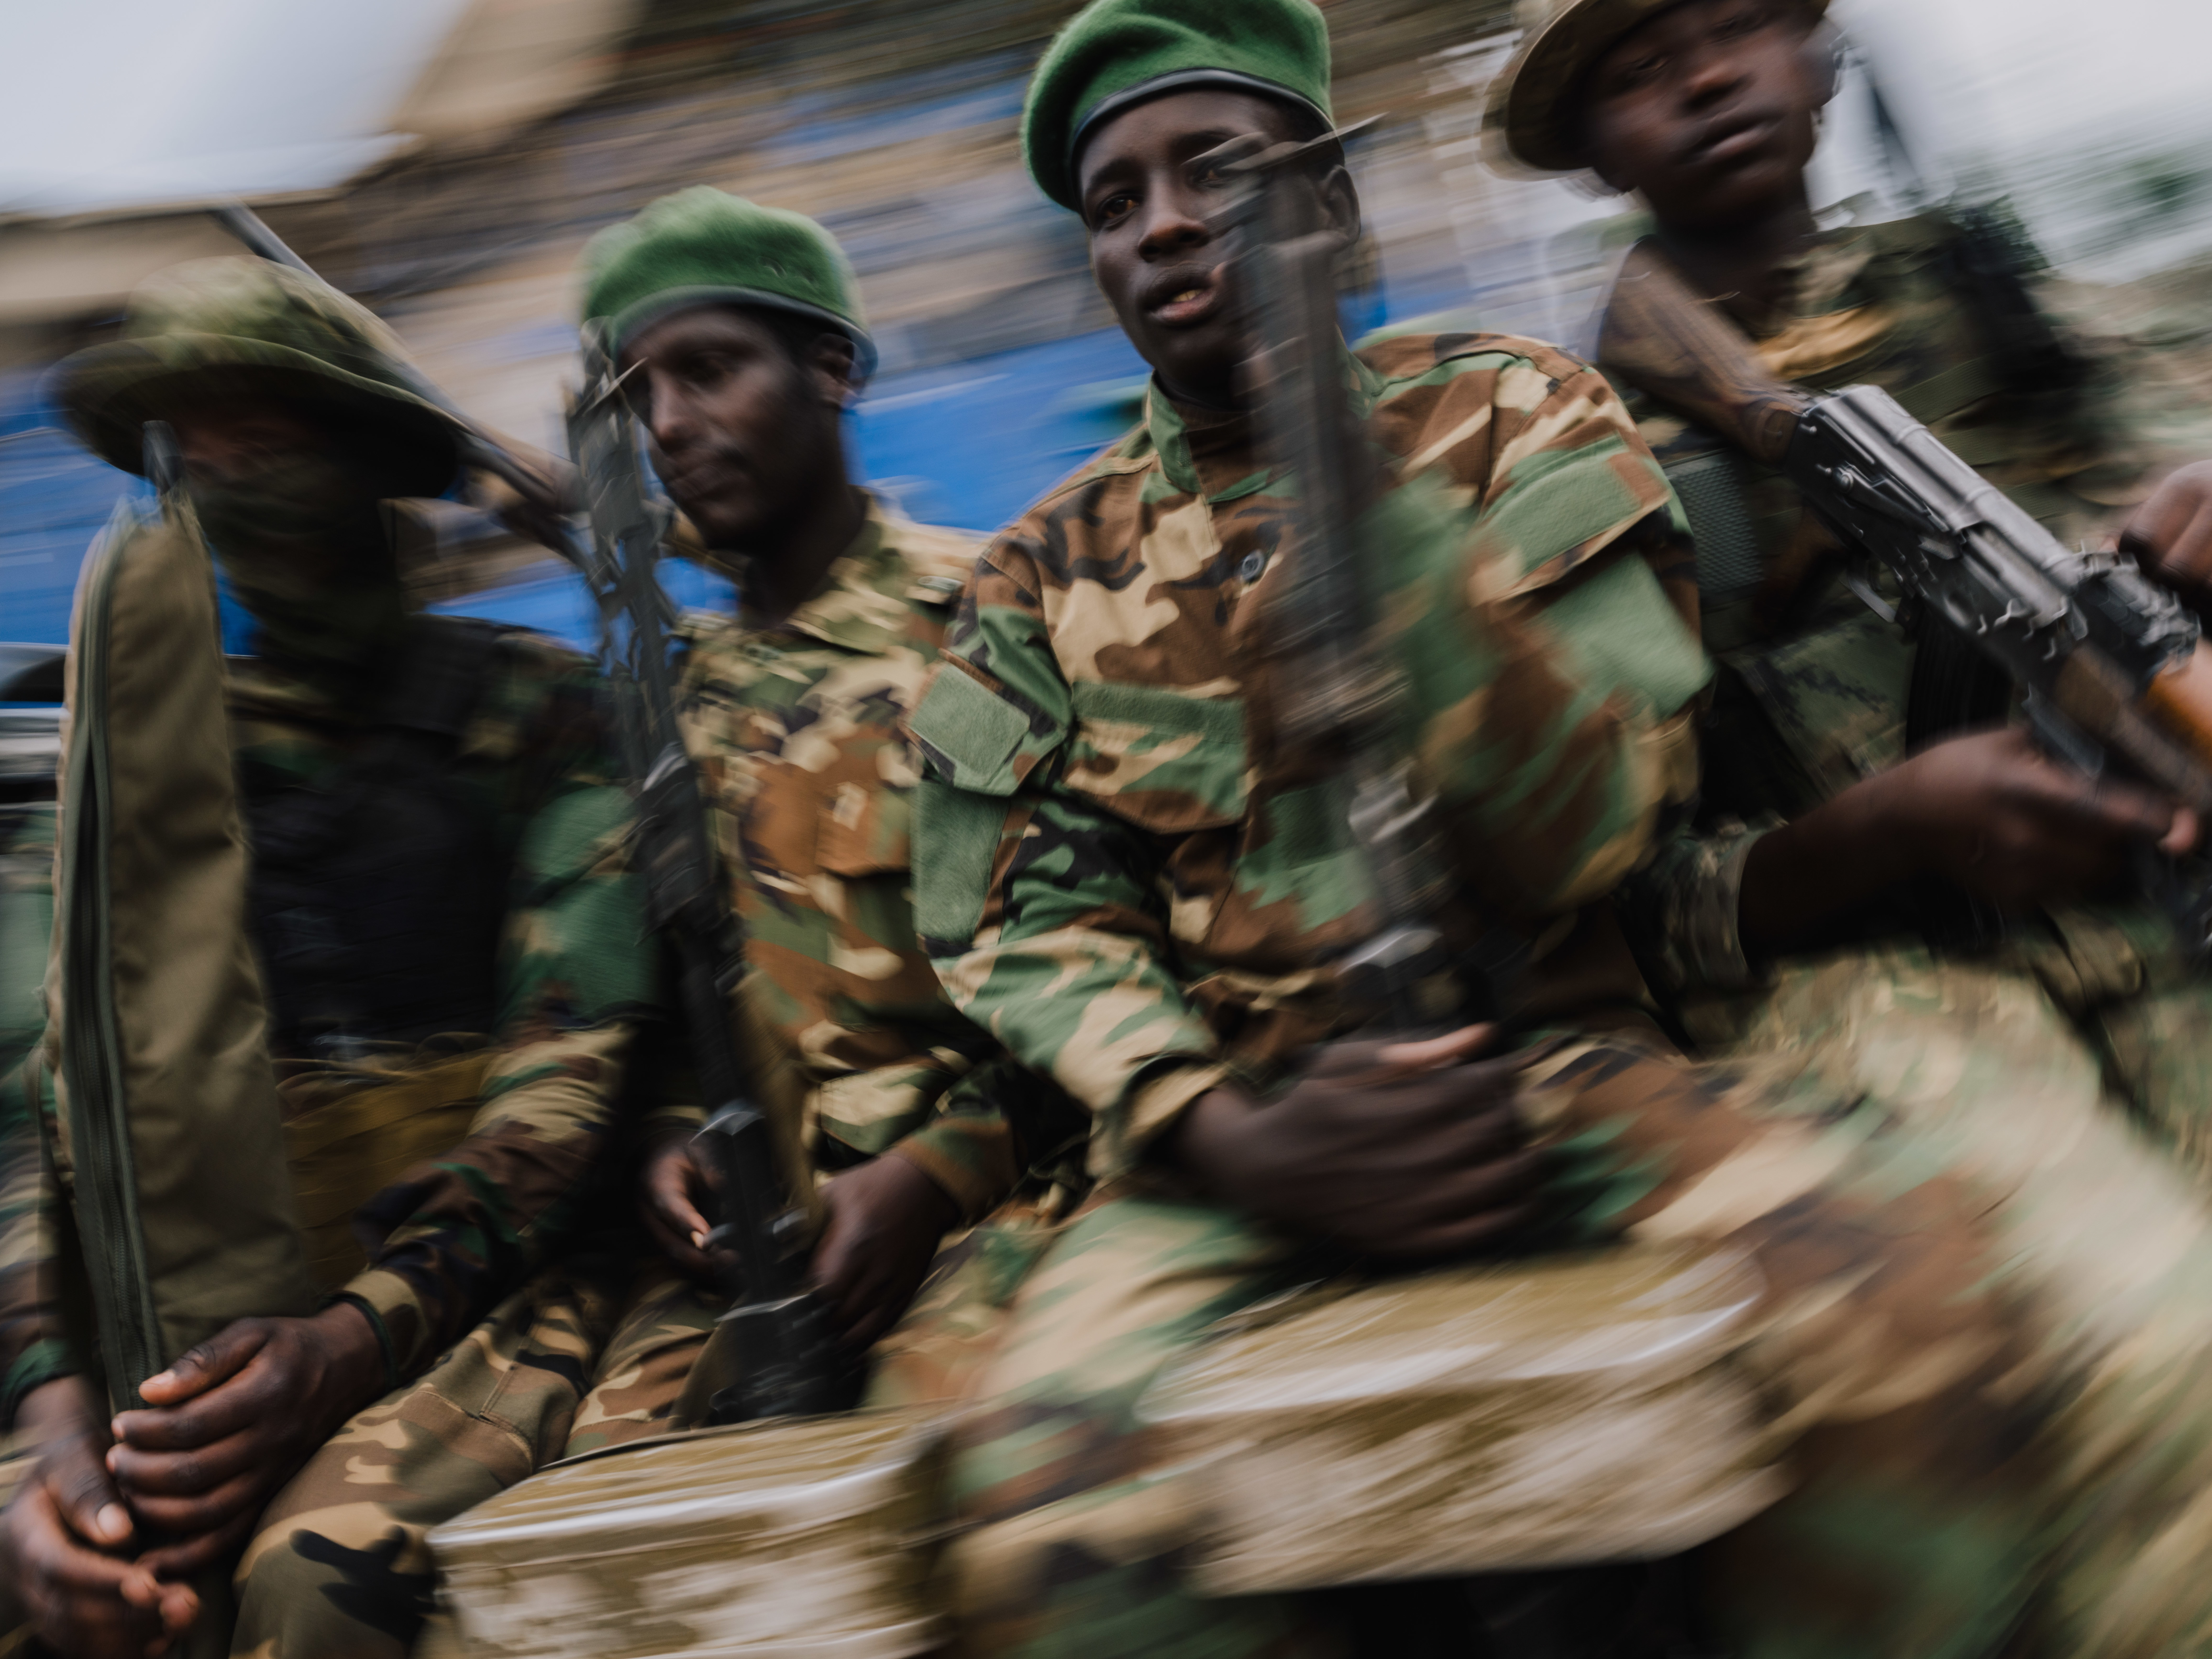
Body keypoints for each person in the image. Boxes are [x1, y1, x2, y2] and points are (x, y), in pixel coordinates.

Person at [1480, 2, 2212, 1654]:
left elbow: (2113, 538)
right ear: (1593, 148)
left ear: (1821, 57)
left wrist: (2160, 542)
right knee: (2158, 1348)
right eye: (1639, 62)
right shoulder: (1561, 444)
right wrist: (1876, 836)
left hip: (2133, 893)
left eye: (1741, 22)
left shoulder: (1968, 283)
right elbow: (1606, 902)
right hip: (1850, 983)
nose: (1707, 73)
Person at [4, 257, 684, 1659]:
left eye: (274, 429)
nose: (228, 467)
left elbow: (565, 1090)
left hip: (491, 1286)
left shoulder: (533, 712)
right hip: (191, 1325)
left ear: (373, 462)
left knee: (314, 1589)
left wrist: (353, 1337)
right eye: (196, 440)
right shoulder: (105, 762)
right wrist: (48, 1407)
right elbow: (38, 1107)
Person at [575, 189, 1084, 1395]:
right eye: (638, 397)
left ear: (830, 368)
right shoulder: (675, 700)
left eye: (707, 371)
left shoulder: (990, 619)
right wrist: (674, 1140)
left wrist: (942, 1171)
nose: (670, 425)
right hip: (761, 1254)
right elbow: (696, 994)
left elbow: (1124, 954)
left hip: (1009, 1202)